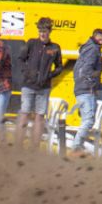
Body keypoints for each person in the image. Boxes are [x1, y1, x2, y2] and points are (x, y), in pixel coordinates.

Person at [17, 17, 63, 148]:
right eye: (40, 31)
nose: (42, 33)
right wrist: (26, 72)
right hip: (28, 85)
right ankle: (18, 146)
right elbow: (20, 59)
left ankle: (34, 148)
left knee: (40, 116)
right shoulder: (31, 43)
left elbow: (59, 66)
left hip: (44, 87)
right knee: (25, 113)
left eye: (45, 31)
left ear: (50, 31)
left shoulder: (55, 48)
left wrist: (50, 75)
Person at [71, 28, 102, 152]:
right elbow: (86, 70)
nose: (101, 42)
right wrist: (92, 83)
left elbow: (79, 70)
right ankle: (76, 147)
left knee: (86, 120)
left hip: (81, 88)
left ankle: (77, 146)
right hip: (86, 89)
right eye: (100, 39)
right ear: (94, 37)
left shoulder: (86, 49)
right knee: (89, 120)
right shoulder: (93, 50)